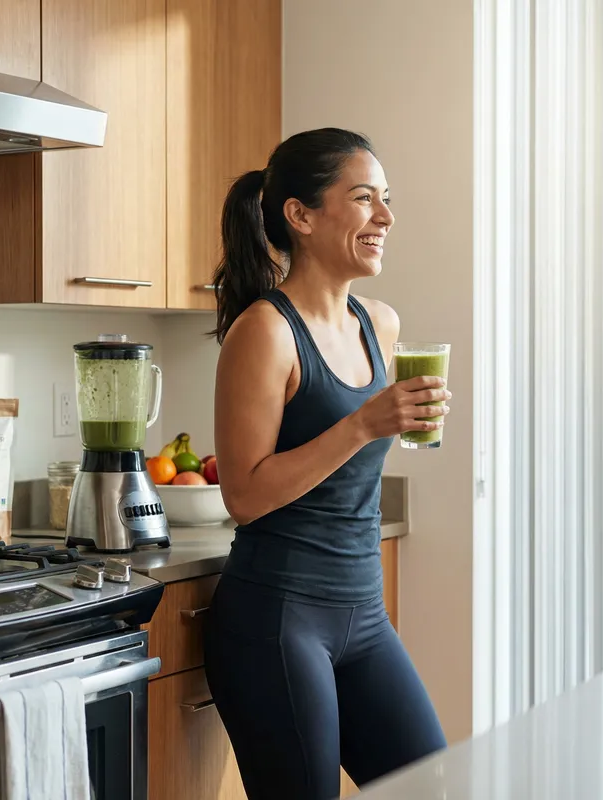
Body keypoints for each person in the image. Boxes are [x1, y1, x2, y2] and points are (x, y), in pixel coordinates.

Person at [204, 128, 449, 800]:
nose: (386, 218)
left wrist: (396, 422)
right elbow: (244, 496)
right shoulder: (265, 330)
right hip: (276, 618)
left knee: (435, 787)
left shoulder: (383, 324)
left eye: (387, 201)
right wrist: (364, 423)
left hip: (362, 614)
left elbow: (349, 467)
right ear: (301, 215)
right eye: (365, 199)